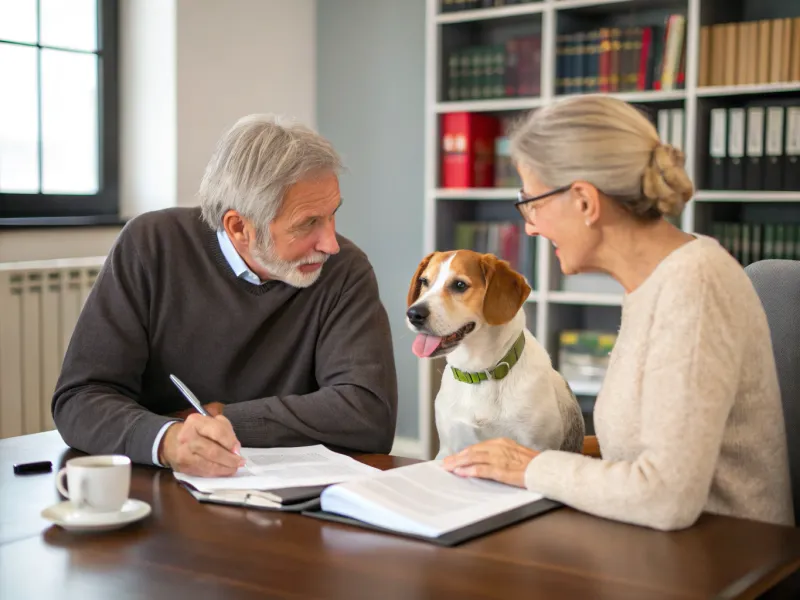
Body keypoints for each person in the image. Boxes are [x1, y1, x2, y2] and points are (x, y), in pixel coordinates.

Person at [443, 95, 794, 531]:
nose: (529, 225)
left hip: (723, 557)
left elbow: (667, 498)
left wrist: (530, 467)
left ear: (585, 202)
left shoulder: (695, 286)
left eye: (531, 202)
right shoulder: (651, 282)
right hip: (649, 542)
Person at [53, 114, 398, 478]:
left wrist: (218, 418)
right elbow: (81, 398)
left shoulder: (345, 270)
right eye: (308, 223)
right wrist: (169, 441)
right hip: (158, 491)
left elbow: (368, 414)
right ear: (238, 227)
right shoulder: (151, 245)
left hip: (287, 502)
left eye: (332, 215)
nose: (330, 243)